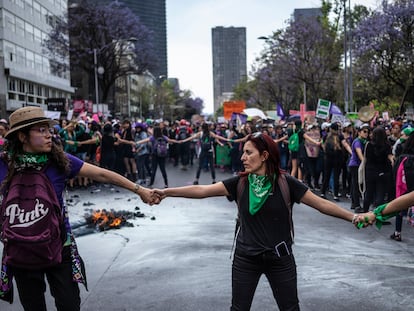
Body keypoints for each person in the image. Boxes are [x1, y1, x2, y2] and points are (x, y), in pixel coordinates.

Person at [153, 132, 359, 311]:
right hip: (246, 259)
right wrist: (166, 192)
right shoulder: (240, 183)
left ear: (264, 156)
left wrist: (353, 216)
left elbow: (322, 204)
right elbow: (202, 190)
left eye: (248, 152)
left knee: (290, 308)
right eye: (243, 152)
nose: (242, 157)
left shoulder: (287, 183)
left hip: (280, 259)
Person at [0, 107, 157, 311]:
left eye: (49, 129)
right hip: (21, 249)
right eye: (41, 130)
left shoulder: (58, 160)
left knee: (69, 305)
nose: (49, 135)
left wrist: (139, 189)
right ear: (22, 136)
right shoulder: (3, 162)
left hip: (59, 247)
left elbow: (101, 174)